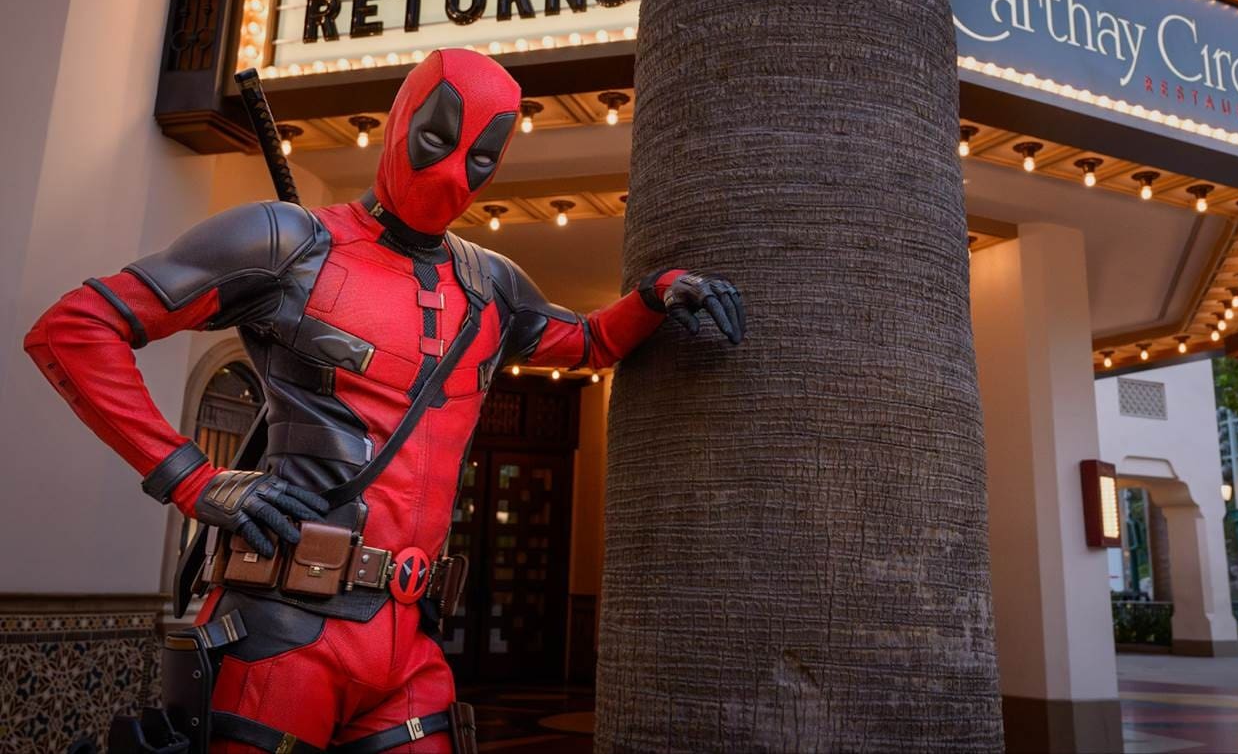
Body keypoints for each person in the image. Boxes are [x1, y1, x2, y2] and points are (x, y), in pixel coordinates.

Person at [25, 49, 744, 753]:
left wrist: (657, 293)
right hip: (281, 627)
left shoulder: (490, 285)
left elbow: (587, 342)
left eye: (481, 158)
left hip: (408, 645)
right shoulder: (286, 242)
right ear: (400, 120)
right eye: (436, 138)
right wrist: (195, 478)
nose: (453, 172)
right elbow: (74, 330)